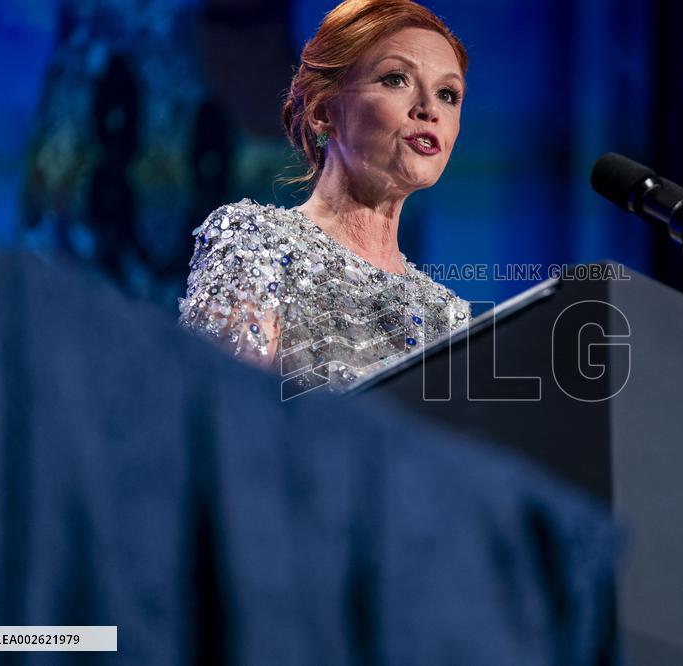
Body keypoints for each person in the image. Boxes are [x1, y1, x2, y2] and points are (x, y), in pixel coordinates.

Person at [178, 0, 472, 394]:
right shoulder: (255, 244)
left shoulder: (449, 317)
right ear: (322, 111)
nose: (429, 109)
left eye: (448, 94)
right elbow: (224, 410)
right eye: (396, 79)